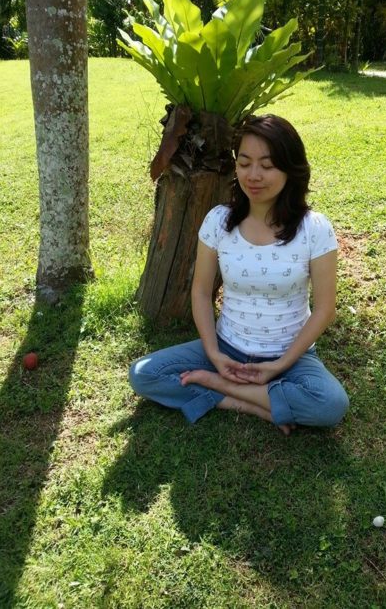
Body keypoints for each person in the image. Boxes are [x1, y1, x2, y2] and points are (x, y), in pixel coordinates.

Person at [129, 114, 349, 435]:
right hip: (227, 350)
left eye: (267, 165)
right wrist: (215, 355)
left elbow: (325, 309)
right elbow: (202, 292)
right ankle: (251, 404)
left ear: (290, 167)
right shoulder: (219, 221)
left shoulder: (314, 229)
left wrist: (280, 364)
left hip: (289, 359)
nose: (254, 175)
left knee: (331, 404)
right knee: (144, 374)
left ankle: (216, 388)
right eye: (244, 163)